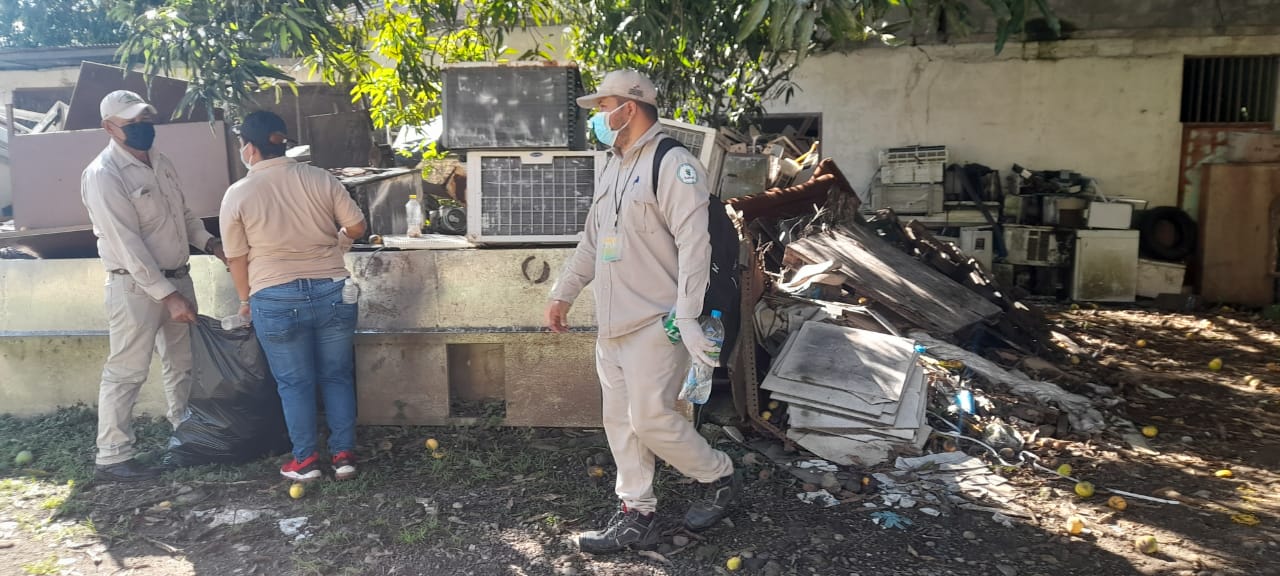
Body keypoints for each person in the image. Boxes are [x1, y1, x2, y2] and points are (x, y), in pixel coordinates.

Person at [546, 69, 740, 554]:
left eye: (602, 106)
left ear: (627, 108)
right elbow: (593, 241)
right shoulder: (612, 166)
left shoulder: (673, 163)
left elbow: (696, 245)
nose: (597, 117)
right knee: (620, 423)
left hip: (658, 321)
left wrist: (688, 316)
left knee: (651, 419)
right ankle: (636, 513)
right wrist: (563, 293)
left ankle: (719, 475)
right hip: (611, 323)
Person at [81, 90, 226, 482]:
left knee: (183, 365)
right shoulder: (103, 174)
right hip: (136, 289)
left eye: (146, 119)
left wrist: (211, 245)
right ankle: (113, 456)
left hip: (178, 277)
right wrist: (169, 296)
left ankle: (186, 436)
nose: (143, 127)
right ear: (109, 127)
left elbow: (184, 215)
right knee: (127, 370)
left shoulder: (161, 161)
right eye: (132, 123)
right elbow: (127, 245)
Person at [220, 111, 367, 483]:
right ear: (282, 141)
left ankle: (306, 461)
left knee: (294, 383)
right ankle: (344, 456)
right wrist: (339, 244)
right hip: (333, 290)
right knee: (337, 376)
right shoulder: (320, 178)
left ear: (249, 148)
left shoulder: (238, 193)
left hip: (274, 297)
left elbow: (236, 258)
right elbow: (356, 225)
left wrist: (245, 300)